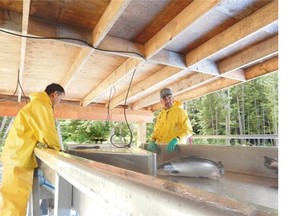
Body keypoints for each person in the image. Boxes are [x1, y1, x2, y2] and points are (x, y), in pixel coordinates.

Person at [0, 83, 65, 216]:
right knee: (14, 201)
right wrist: (58, 150)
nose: (59, 103)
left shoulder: (36, 104)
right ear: (55, 94)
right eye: (60, 99)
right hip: (19, 157)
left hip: (16, 155)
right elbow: (47, 131)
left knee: (11, 199)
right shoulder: (42, 105)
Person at [148, 88, 192, 153]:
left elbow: (188, 131)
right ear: (161, 101)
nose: (168, 101)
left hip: (177, 149)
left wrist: (176, 139)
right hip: (162, 149)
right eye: (165, 99)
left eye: (170, 98)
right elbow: (156, 131)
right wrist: (152, 140)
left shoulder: (180, 112)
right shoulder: (160, 115)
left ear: (173, 98)